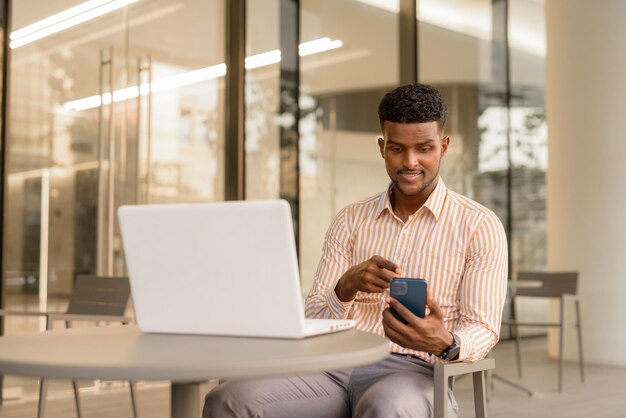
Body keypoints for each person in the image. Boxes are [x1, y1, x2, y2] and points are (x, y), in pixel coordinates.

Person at [203, 83, 508, 418]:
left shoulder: (479, 225)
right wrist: (345, 287)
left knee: (386, 407)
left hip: (414, 372)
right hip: (333, 367)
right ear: (381, 147)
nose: (410, 162)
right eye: (397, 149)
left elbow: (483, 328)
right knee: (228, 399)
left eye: (424, 148)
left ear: (444, 146)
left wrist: (444, 341)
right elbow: (314, 319)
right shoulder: (350, 220)